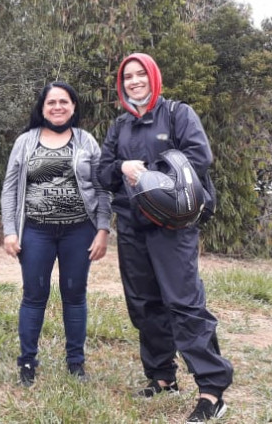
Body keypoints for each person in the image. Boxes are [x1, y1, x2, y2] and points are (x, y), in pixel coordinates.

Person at [94, 53, 233, 423]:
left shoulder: (177, 114)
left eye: (141, 75)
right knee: (144, 304)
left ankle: (211, 390)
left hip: (173, 224)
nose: (134, 81)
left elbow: (199, 157)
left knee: (184, 303)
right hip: (132, 226)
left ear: (153, 78)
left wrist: (151, 175)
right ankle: (161, 376)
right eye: (128, 77)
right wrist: (121, 166)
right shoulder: (120, 126)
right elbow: (102, 173)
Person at [0, 81, 112, 387]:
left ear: (74, 107)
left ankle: (75, 362)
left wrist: (103, 228)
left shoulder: (87, 141)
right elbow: (10, 189)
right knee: (34, 296)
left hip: (80, 231)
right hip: (36, 232)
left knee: (75, 296)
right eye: (51, 102)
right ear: (42, 107)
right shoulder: (25, 142)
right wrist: (10, 231)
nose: (58, 107)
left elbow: (103, 188)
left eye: (64, 102)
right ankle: (27, 363)